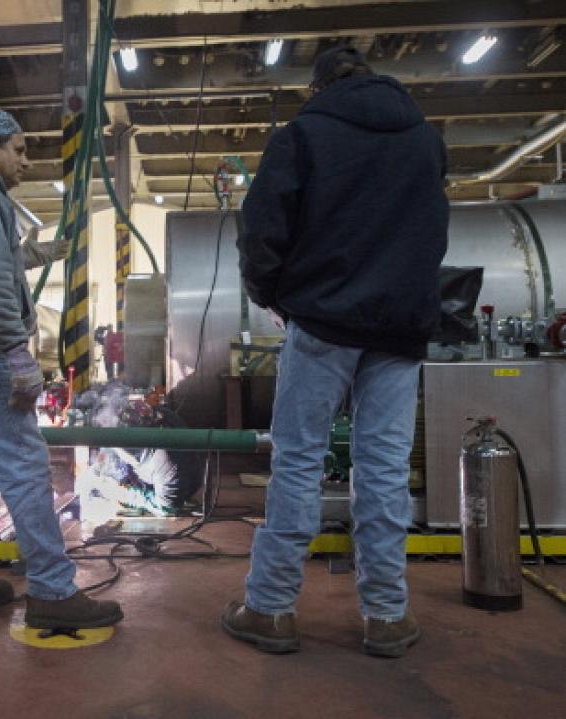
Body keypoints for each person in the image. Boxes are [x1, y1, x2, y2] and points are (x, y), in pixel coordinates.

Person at [224, 46, 448, 657]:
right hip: (400, 327)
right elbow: (436, 231)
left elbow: (263, 227)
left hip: (323, 320)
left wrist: (273, 296)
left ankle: (270, 609)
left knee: (298, 459)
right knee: (383, 467)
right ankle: (386, 616)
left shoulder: (304, 134)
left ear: (319, 88)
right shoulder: (424, 138)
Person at [0, 108, 123, 629]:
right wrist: (16, 351)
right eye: (20, 148)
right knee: (25, 465)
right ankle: (53, 592)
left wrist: (31, 253)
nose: (25, 161)